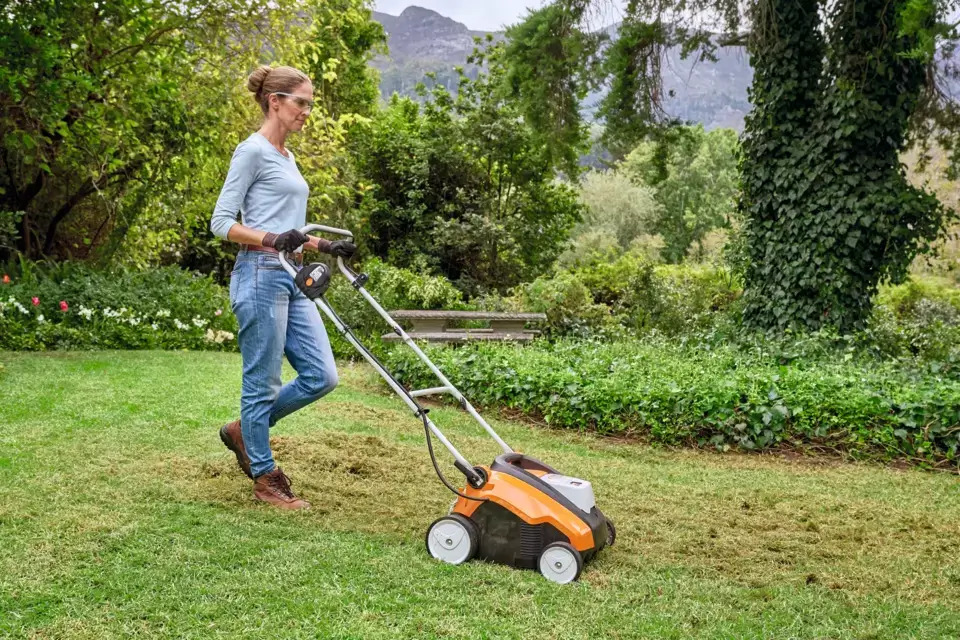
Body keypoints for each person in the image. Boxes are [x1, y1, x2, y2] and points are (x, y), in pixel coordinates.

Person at [210, 65, 355, 510]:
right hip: (259, 274)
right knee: (262, 383)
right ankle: (265, 477)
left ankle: (243, 432)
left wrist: (323, 243)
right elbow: (221, 223)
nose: (307, 111)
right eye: (301, 102)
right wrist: (272, 239)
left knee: (322, 376)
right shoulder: (251, 152)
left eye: (310, 103)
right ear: (275, 101)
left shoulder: (288, 157)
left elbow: (289, 228)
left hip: (292, 274)